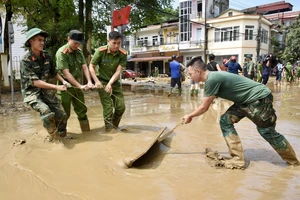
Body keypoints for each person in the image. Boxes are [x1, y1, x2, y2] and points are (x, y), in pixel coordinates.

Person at [183, 56, 299, 169]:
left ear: (198, 71)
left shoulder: (212, 79)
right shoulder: (213, 77)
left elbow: (204, 107)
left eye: (190, 74)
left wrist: (190, 116)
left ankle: (294, 163)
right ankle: (237, 159)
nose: (190, 77)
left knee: (266, 131)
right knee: (225, 121)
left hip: (258, 98)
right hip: (243, 101)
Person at [20, 28, 68, 140]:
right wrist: (56, 86)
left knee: (61, 114)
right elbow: (35, 82)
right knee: (46, 111)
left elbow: (54, 72)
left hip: (45, 91)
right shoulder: (25, 60)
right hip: (31, 92)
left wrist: (64, 81)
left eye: (43, 40)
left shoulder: (47, 56)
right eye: (39, 40)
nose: (42, 43)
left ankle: (63, 136)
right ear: (31, 41)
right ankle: (55, 139)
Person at [56, 30, 94, 132]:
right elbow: (66, 73)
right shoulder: (61, 53)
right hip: (65, 87)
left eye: (79, 43)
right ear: (68, 39)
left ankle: (86, 133)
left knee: (82, 111)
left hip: (77, 86)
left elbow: (85, 67)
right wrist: (80, 86)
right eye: (75, 42)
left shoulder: (79, 52)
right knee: (64, 114)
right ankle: (59, 136)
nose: (77, 45)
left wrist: (89, 81)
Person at [89, 31, 127, 131]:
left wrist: (110, 84)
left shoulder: (123, 54)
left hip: (114, 82)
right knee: (108, 107)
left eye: (119, 43)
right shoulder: (100, 51)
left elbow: (118, 71)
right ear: (108, 41)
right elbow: (91, 66)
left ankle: (115, 126)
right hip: (102, 82)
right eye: (114, 43)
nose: (116, 46)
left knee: (121, 107)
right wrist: (96, 81)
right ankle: (109, 130)